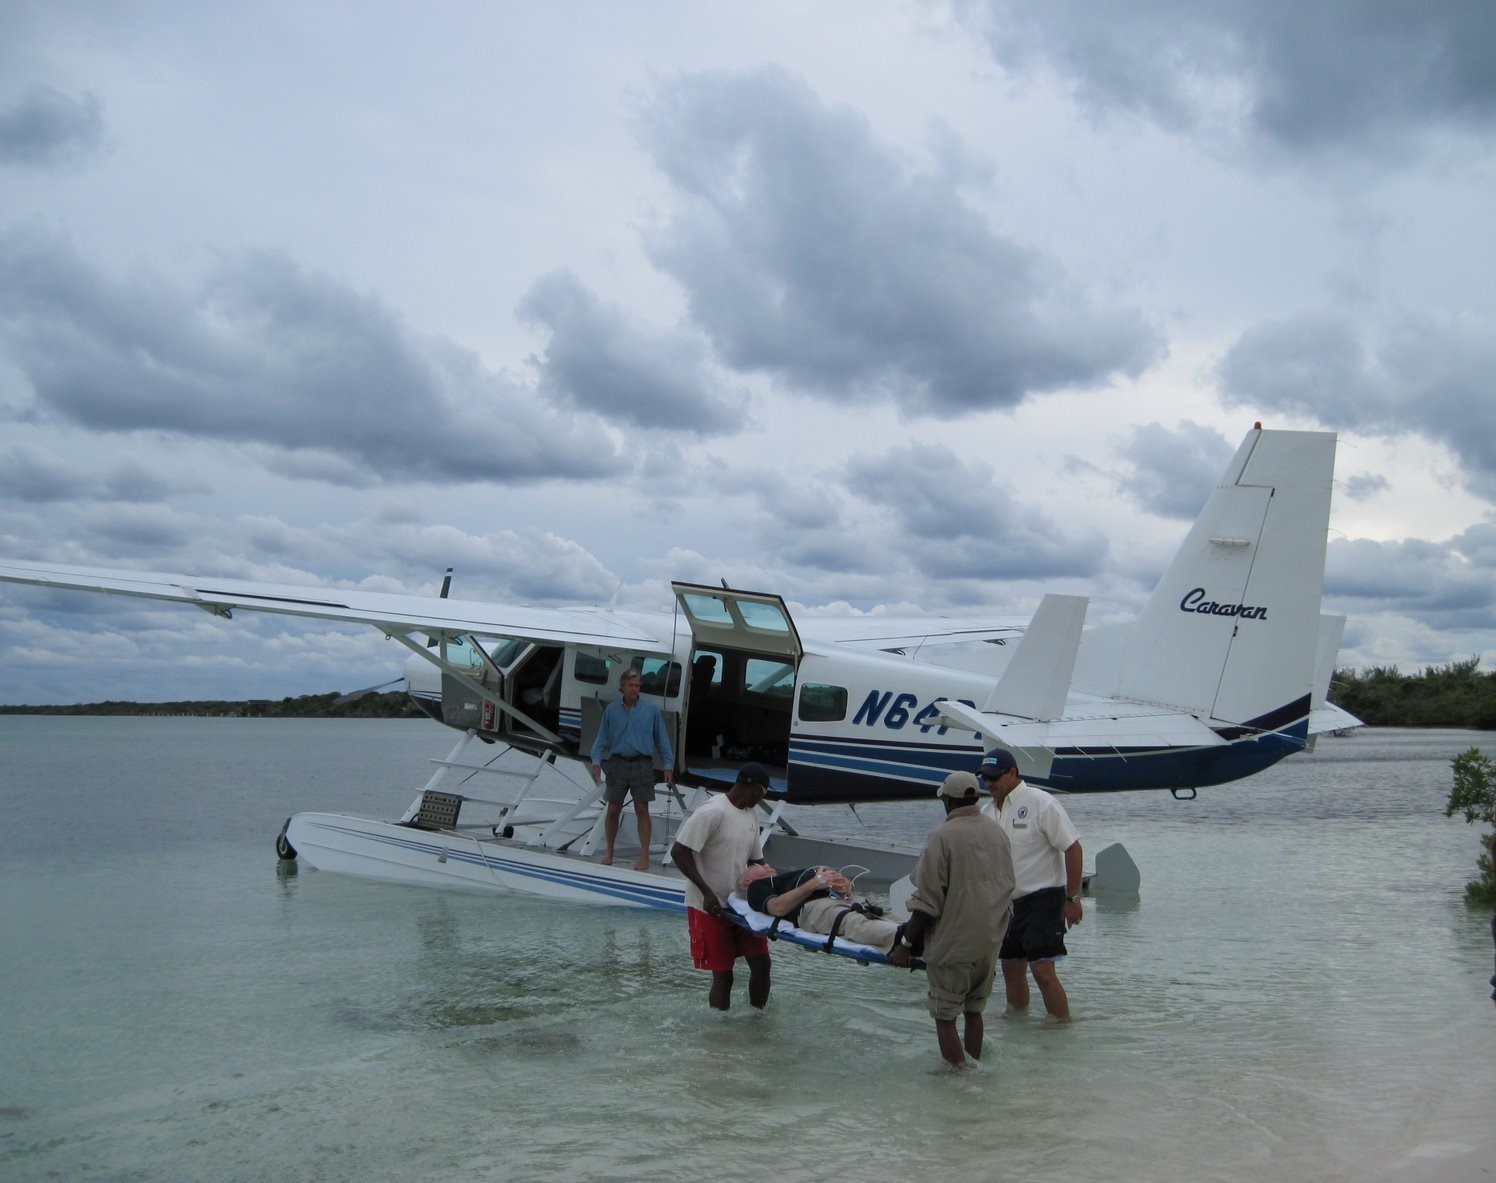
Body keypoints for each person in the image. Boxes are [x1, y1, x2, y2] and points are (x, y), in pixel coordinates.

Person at [892, 771, 1014, 1068]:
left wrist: (906, 944)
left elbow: (926, 902)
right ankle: (975, 1068)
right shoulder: (997, 832)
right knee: (974, 1011)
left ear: (948, 800)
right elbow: (1009, 885)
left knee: (945, 1016)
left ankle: (960, 1081)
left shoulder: (942, 837)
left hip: (954, 944)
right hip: (989, 941)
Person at [978, 748, 1083, 1021]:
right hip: (1007, 903)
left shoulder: (1040, 801)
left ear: (1012, 773)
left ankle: (1062, 1028)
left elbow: (1073, 847)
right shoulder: (986, 812)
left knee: (1042, 971)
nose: (989, 783)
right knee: (1011, 968)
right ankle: (1017, 1024)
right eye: (985, 778)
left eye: (994, 777)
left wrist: (1073, 899)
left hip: (1044, 897)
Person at [669, 762, 773, 1011]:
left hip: (740, 905)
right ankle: (720, 1034)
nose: (763, 799)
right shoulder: (712, 812)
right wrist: (707, 892)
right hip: (708, 906)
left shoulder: (750, 814)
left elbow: (756, 861)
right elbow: (679, 852)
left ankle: (757, 1021)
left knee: (762, 964)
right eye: (764, 793)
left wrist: (774, 892)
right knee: (723, 975)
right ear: (755, 789)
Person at [589, 667, 675, 869]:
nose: (634, 689)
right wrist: (596, 761)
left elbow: (662, 740)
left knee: (641, 808)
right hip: (617, 763)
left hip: (642, 763)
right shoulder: (611, 710)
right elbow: (602, 738)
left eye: (637, 685)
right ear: (622, 687)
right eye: (630, 685)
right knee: (613, 808)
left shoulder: (651, 710)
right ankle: (609, 851)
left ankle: (643, 856)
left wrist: (668, 766)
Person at [738, 864, 903, 954]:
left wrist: (846, 885)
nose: (766, 865)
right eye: (758, 867)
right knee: (853, 921)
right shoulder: (756, 887)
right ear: (747, 880)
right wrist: (814, 883)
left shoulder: (786, 876)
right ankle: (904, 938)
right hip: (813, 906)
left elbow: (838, 884)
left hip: (840, 897)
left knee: (882, 912)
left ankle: (916, 930)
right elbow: (777, 908)